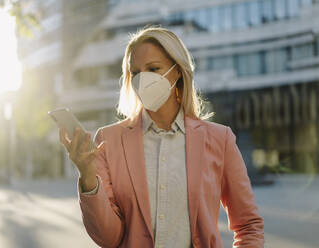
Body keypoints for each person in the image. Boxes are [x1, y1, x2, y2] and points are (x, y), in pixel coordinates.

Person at [59, 26, 264, 248]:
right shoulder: (108, 140)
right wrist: (88, 177)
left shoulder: (220, 139)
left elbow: (248, 225)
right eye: (135, 72)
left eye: (153, 68)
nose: (142, 80)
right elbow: (109, 238)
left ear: (177, 71)